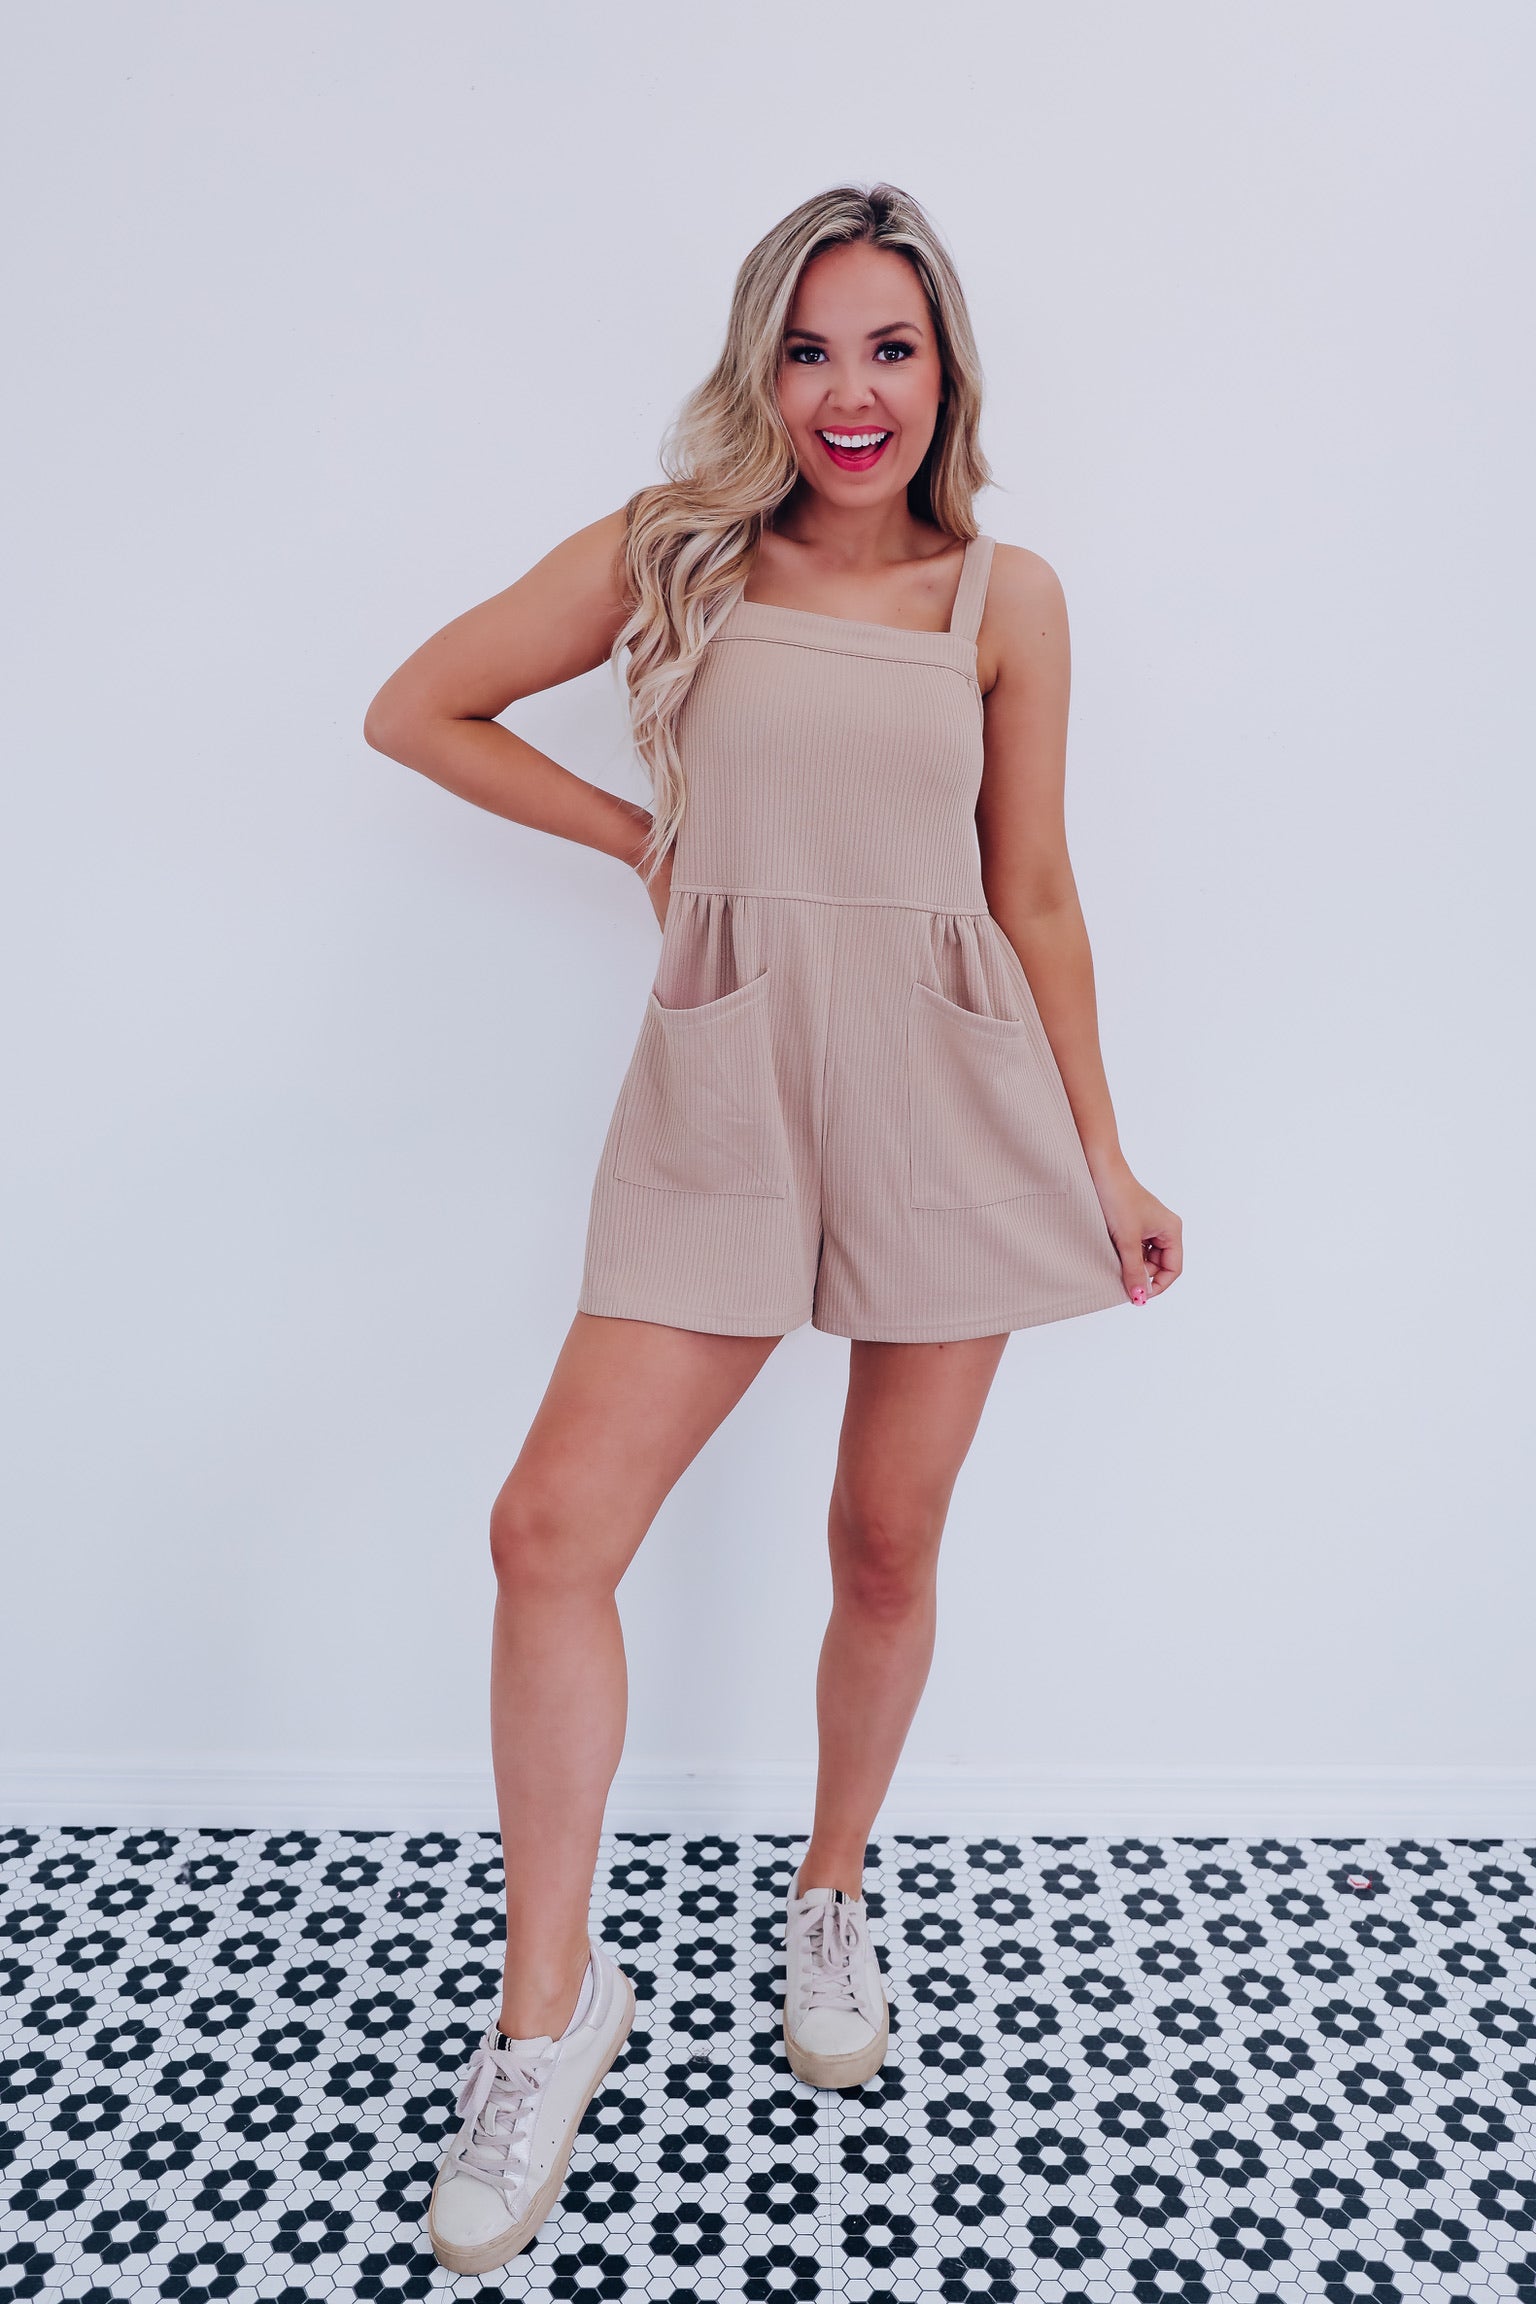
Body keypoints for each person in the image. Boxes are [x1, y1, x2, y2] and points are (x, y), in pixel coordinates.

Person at [363, 180, 1182, 2276]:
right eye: (810, 349)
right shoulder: (672, 548)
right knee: (549, 1531)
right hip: (726, 1082)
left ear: (944, 369)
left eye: (889, 347)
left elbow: (1038, 888)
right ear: (763, 366)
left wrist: (1104, 1154)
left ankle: (831, 1894)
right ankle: (552, 2011)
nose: (849, 391)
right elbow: (419, 706)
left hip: (947, 1088)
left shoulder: (1007, 596)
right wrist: (646, 840)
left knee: (884, 1544)